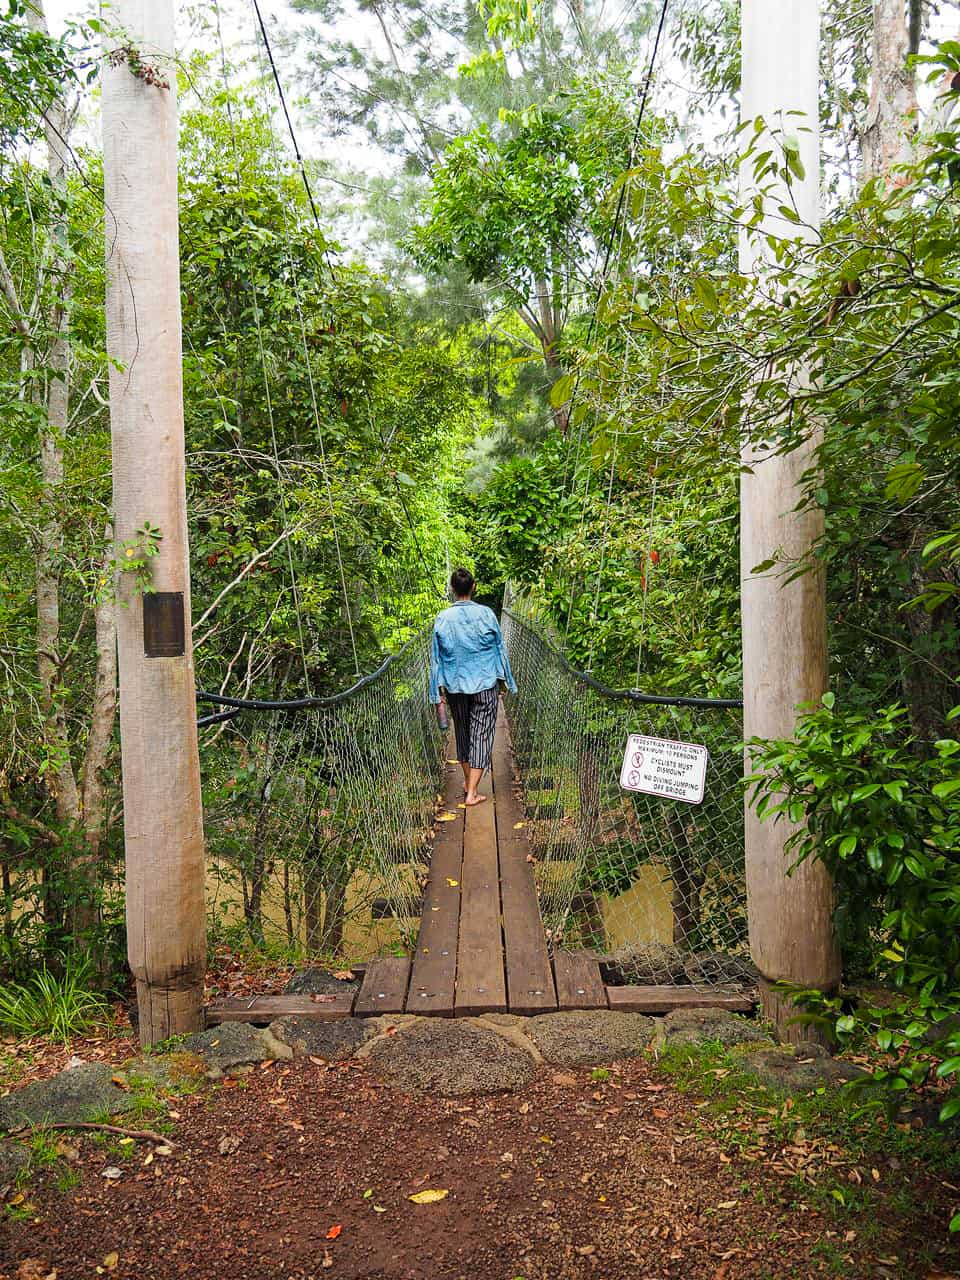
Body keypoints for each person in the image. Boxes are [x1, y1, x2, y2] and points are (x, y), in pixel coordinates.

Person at [429, 568, 517, 806]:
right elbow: (499, 649)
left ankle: (469, 784)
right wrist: (505, 681)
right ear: (474, 587)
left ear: (451, 589)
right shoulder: (487, 614)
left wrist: (435, 692)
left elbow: (436, 659)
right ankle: (472, 792)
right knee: (482, 736)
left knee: (463, 735)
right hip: (485, 684)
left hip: (455, 687)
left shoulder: (443, 618)